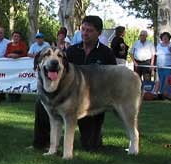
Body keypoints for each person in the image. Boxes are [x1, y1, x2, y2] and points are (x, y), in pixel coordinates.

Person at [33, 15, 116, 152]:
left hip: (92, 103)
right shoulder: (71, 51)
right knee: (41, 104)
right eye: (83, 29)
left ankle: (92, 139)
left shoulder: (106, 53)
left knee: (91, 146)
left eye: (89, 30)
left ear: (99, 33)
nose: (85, 33)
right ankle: (41, 143)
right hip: (67, 98)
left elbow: (111, 79)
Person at [155, 32, 171, 96]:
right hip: (160, 66)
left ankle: (169, 94)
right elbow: (155, 55)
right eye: (163, 37)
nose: (165, 38)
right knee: (161, 79)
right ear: (161, 38)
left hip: (169, 66)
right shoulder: (158, 45)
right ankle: (162, 93)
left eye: (166, 37)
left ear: (169, 38)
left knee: (168, 80)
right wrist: (154, 65)